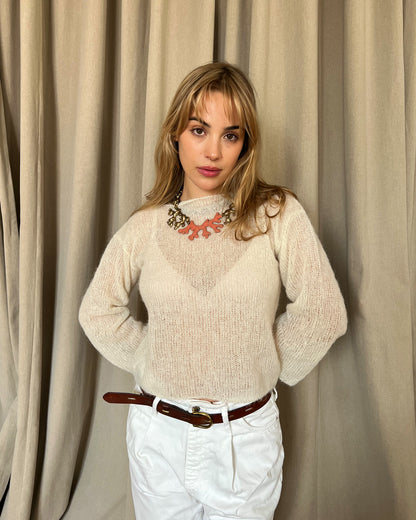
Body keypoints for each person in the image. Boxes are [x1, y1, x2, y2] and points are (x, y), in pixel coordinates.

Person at [79, 62, 347, 520]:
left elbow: (324, 312)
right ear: (175, 134)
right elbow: (97, 312)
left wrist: (260, 360)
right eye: (199, 129)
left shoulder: (275, 213)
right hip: (158, 435)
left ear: (245, 144)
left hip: (244, 438)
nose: (213, 151)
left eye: (230, 135)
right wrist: (154, 357)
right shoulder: (147, 226)